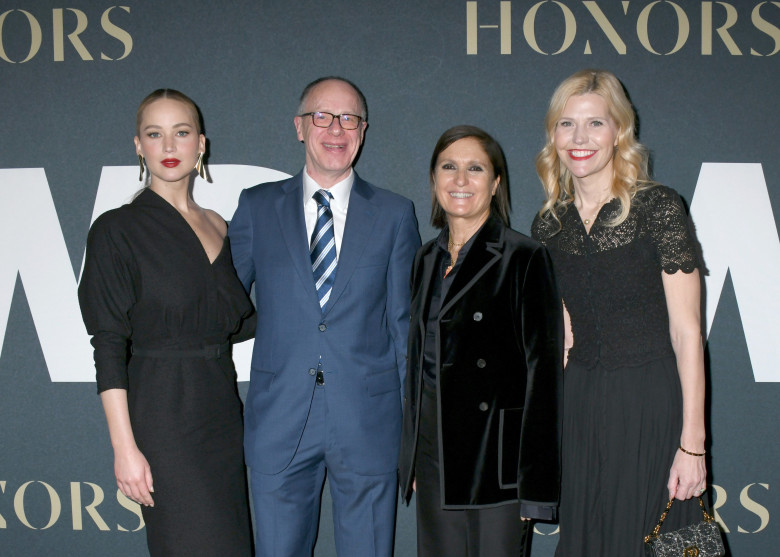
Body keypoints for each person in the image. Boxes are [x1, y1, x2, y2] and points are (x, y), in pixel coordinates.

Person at [228, 76, 421, 557]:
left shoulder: (396, 214)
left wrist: (415, 431)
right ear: (299, 127)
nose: (336, 129)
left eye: (349, 118)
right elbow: (222, 303)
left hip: (370, 421)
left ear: (363, 130)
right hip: (279, 420)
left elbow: (405, 329)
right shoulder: (256, 207)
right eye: (322, 116)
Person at [531, 69, 707, 556]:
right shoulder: (549, 223)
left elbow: (687, 332)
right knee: (587, 537)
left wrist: (693, 445)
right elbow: (562, 338)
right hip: (582, 403)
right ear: (553, 134)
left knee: (653, 539)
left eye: (595, 123)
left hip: (649, 399)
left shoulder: (659, 208)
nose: (580, 138)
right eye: (567, 124)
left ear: (619, 132)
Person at [78, 89, 254, 556]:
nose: (169, 146)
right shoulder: (117, 230)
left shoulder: (220, 223)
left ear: (202, 144)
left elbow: (236, 322)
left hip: (220, 407)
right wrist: (125, 449)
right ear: (139, 146)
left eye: (182, 133)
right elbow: (109, 345)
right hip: (163, 416)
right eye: (155, 134)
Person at [398, 125, 564, 557]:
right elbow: (419, 364)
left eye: (475, 169)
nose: (460, 180)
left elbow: (543, 376)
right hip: (436, 458)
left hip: (498, 465)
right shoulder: (425, 259)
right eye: (448, 167)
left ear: (494, 184)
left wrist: (535, 487)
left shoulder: (524, 257)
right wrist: (413, 452)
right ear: (434, 180)